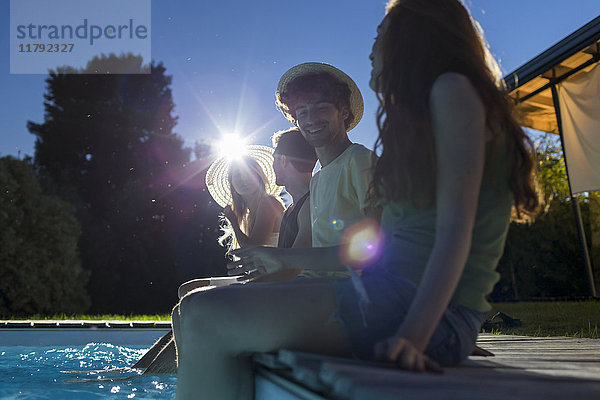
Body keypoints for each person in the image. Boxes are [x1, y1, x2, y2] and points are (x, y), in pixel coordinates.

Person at [174, 0, 542, 394]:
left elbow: (456, 230)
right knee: (193, 308)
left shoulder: (453, 90)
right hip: (390, 296)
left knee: (202, 316)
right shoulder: (434, 109)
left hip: (416, 310)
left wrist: (418, 336)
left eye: (381, 35)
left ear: (412, 36)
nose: (372, 49)